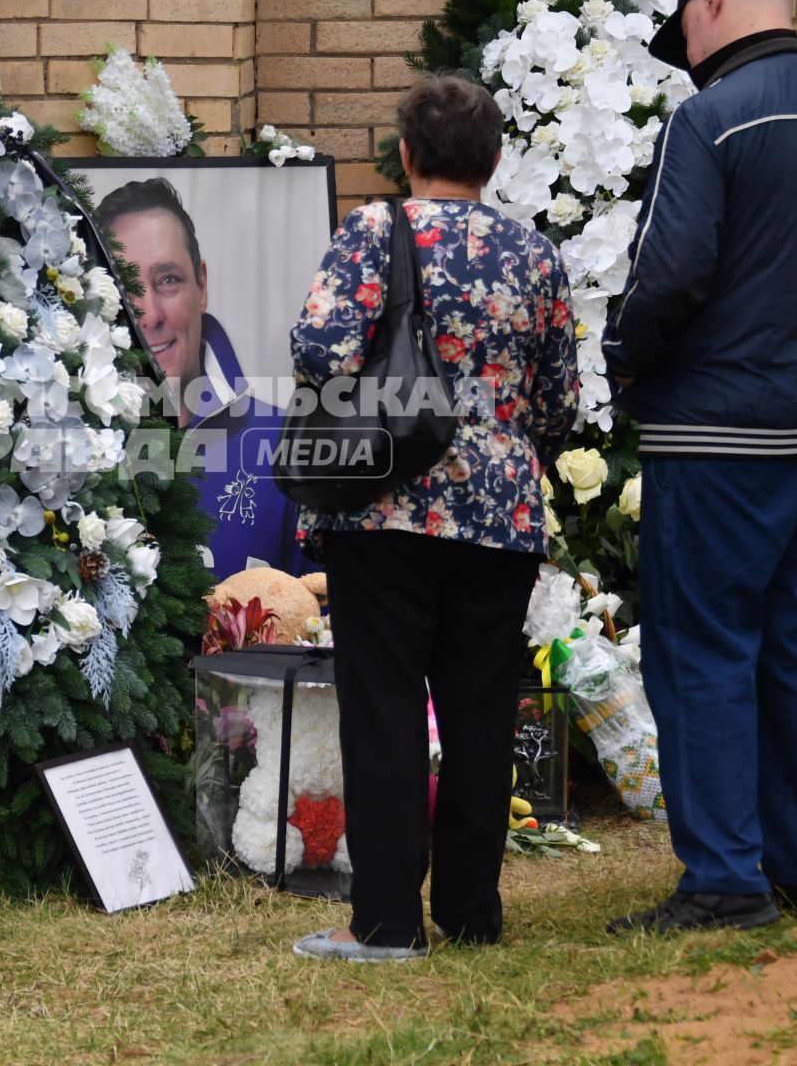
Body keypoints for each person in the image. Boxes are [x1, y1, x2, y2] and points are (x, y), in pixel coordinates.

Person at [603, 0, 797, 934]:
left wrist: (629, 358)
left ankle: (724, 878)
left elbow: (669, 270)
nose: (685, 52)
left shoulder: (711, 116)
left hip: (711, 434)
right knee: (795, 643)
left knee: (701, 648)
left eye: (685, 27)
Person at [287, 75, 579, 961]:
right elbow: (560, 403)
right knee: (483, 711)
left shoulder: (378, 231)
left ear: (406, 154)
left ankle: (382, 922)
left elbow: (318, 352)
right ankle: (471, 913)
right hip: (502, 515)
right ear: (493, 160)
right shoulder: (535, 254)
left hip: (387, 504)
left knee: (384, 711)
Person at [98, 178, 308, 581]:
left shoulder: (286, 443)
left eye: (168, 280)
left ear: (202, 285)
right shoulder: (67, 453)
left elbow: (319, 627)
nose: (149, 315)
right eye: (125, 286)